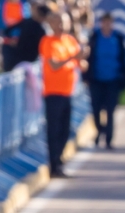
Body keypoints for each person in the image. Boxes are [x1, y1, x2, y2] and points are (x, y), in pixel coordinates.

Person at [39, 11, 80, 178]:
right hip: (53, 92)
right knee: (54, 131)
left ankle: (59, 160)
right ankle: (54, 165)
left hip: (68, 91)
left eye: (64, 22)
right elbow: (54, 65)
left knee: (65, 130)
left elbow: (80, 62)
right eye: (58, 22)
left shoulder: (70, 41)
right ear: (51, 24)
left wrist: (80, 59)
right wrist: (71, 58)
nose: (61, 26)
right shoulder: (48, 42)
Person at [85, 11, 125, 149]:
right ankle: (100, 130)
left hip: (113, 79)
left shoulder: (118, 38)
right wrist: (86, 76)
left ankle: (109, 139)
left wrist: (124, 79)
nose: (107, 25)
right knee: (95, 109)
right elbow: (88, 57)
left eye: (110, 22)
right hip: (96, 79)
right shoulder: (95, 36)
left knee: (110, 110)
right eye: (105, 22)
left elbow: (123, 59)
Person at [1, 1, 47, 71]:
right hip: (17, 56)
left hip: (29, 60)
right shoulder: (27, 21)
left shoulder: (42, 30)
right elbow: (8, 30)